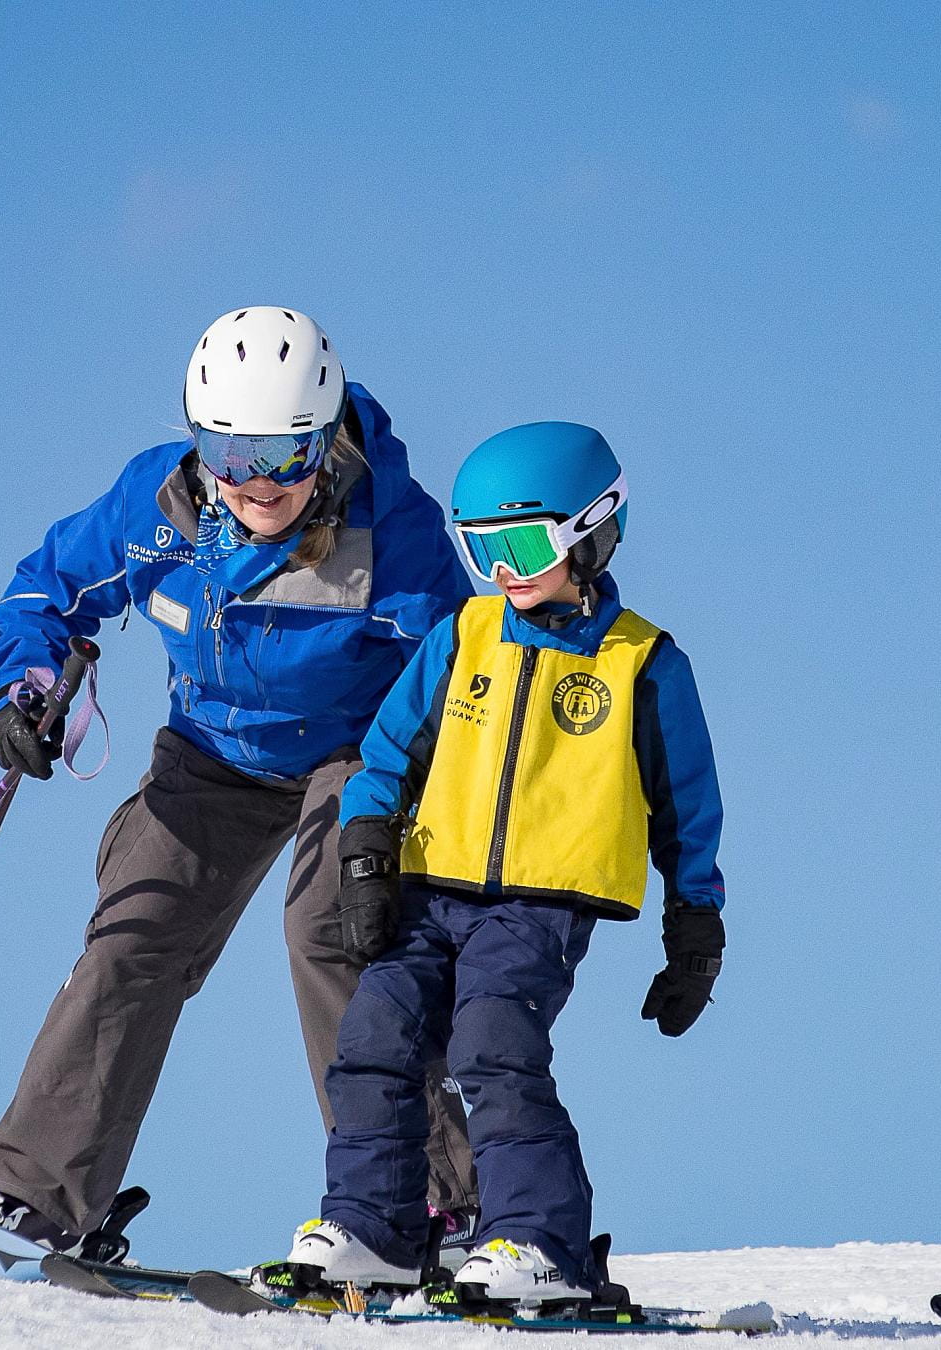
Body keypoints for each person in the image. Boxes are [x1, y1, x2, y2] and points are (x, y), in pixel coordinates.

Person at [0, 307, 479, 1271]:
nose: (259, 482)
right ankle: (37, 1197)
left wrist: (415, 808)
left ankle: (432, 1203)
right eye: (231, 452)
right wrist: (28, 686)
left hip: (361, 753)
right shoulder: (158, 506)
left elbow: (459, 676)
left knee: (334, 929)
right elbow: (48, 587)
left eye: (287, 454)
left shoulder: (397, 532)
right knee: (135, 933)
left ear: (327, 441)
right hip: (213, 752)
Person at [261, 421, 729, 1305]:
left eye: (523, 547)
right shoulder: (465, 635)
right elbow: (386, 755)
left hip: (539, 907)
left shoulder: (643, 664)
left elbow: (687, 810)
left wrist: (695, 930)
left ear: (592, 531)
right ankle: (375, 1228)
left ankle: (540, 1242)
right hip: (431, 889)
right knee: (371, 1039)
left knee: (493, 1048)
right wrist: (365, 853)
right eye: (483, 552)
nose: (505, 571)